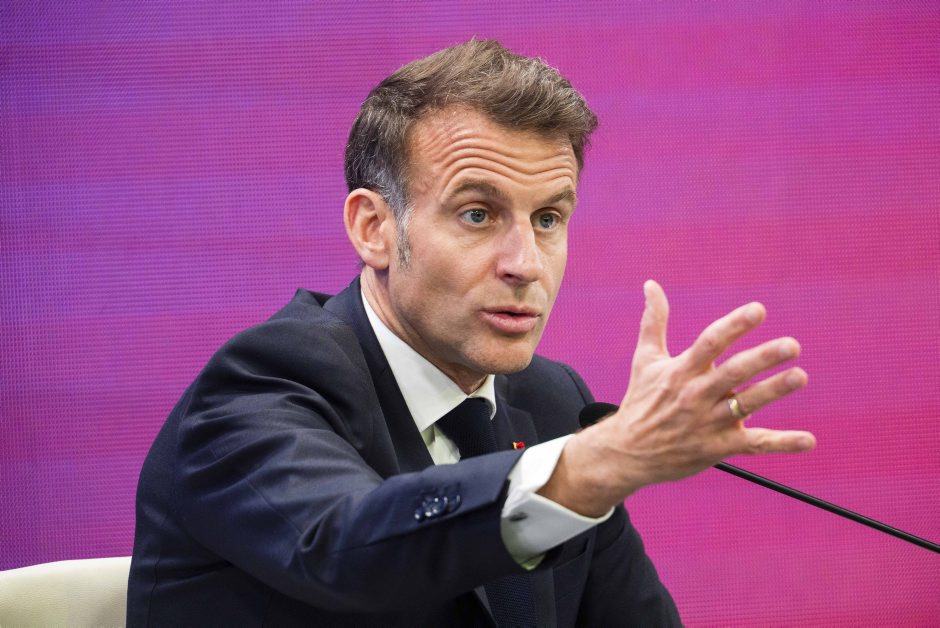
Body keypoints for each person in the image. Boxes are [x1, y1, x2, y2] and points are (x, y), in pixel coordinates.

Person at [128, 39, 815, 627]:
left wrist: (591, 462)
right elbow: (348, 546)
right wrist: (594, 465)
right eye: (478, 215)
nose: (525, 264)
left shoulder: (552, 401)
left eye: (548, 219)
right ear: (374, 228)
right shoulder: (263, 383)